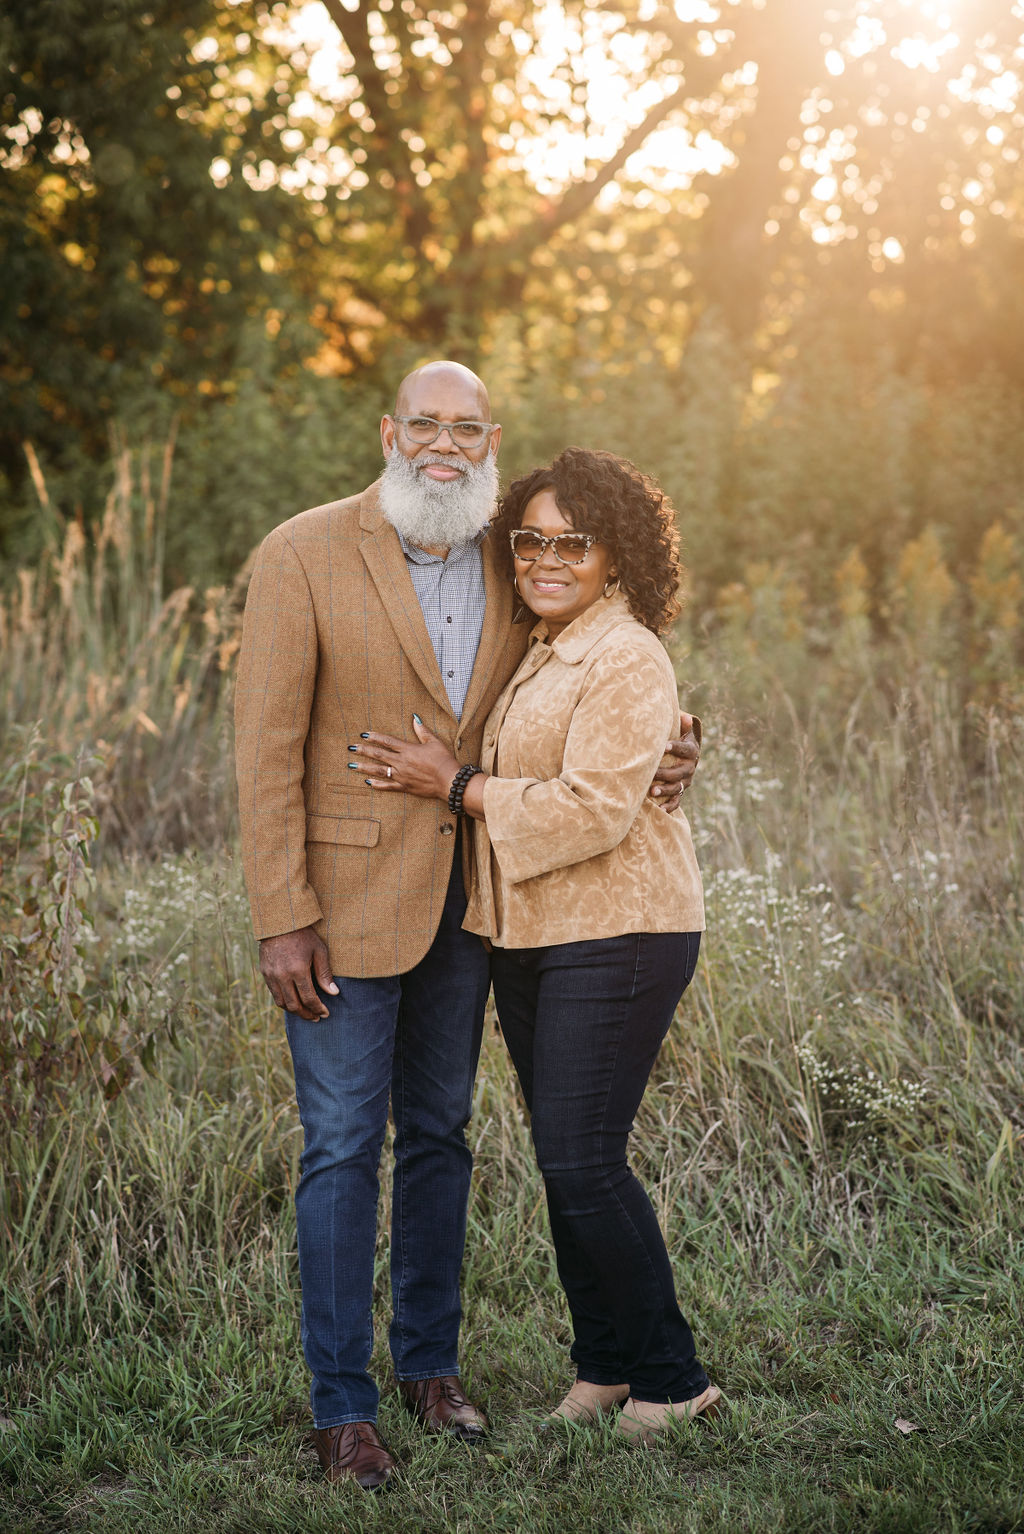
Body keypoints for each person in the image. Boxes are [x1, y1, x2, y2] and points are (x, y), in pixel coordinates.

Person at [234, 364, 701, 1490]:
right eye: (425, 424)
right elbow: (263, 750)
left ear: (489, 439)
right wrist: (282, 914)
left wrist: (676, 740)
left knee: (441, 1137)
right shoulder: (302, 551)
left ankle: (430, 1371)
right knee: (342, 1145)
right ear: (391, 432)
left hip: (472, 908)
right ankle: (342, 1409)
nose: (444, 445)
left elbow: (590, 658)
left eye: (466, 427)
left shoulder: (507, 552)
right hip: (338, 911)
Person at [350, 445, 718, 1445]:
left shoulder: (625, 654)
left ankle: (671, 1376)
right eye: (529, 540)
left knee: (584, 1158)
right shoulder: (544, 645)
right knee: (568, 1162)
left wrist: (457, 786)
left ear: (615, 556)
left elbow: (596, 811)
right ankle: (602, 1367)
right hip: (536, 931)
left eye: (573, 542)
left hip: (623, 928)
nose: (547, 558)